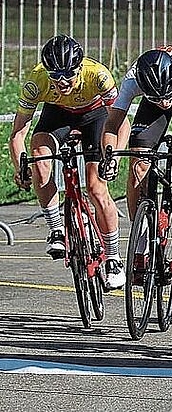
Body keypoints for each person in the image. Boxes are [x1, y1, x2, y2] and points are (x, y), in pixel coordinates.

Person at [8, 35, 127, 290]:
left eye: (68, 75)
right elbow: (18, 132)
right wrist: (20, 165)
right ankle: (56, 229)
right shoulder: (36, 80)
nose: (61, 82)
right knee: (39, 158)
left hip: (95, 116)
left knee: (96, 187)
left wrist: (114, 154)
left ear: (79, 68)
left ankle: (114, 257)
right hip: (57, 115)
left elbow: (120, 121)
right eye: (55, 75)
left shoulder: (98, 75)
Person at [100, 46, 172, 279]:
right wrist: (110, 156)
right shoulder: (133, 80)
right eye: (157, 98)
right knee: (138, 164)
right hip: (154, 97)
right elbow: (111, 125)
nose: (163, 103)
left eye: (166, 96)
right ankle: (140, 243)